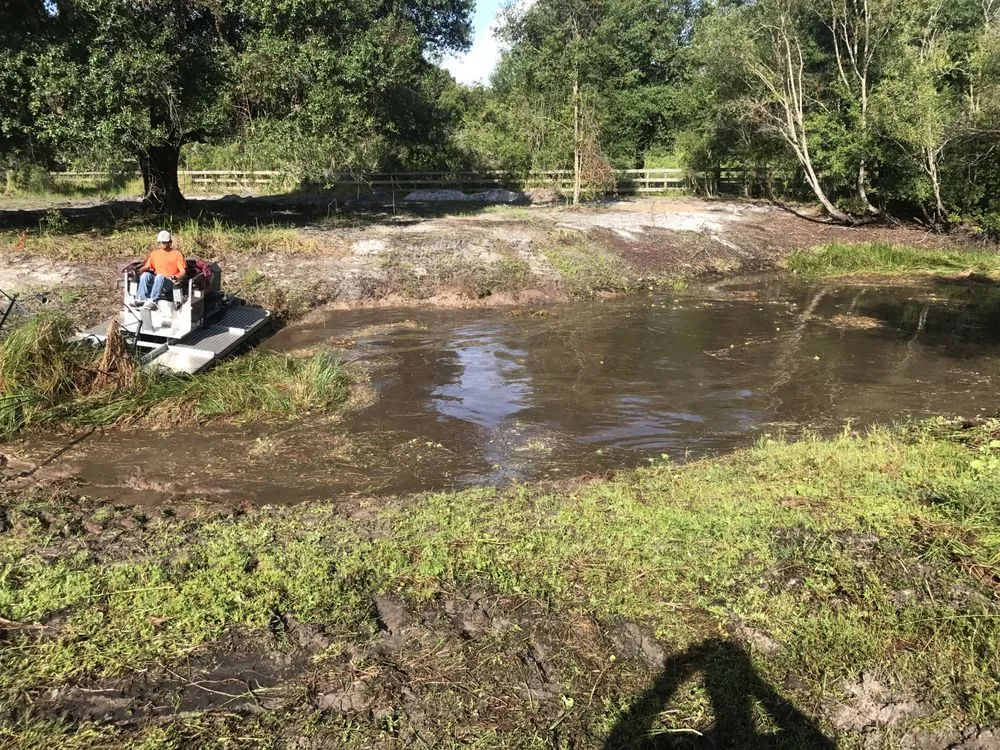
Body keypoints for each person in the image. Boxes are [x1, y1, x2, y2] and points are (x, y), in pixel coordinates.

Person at [133, 230, 186, 309]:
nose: (162, 244)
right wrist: (140, 271)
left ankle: (153, 301)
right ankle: (141, 299)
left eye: (164, 242)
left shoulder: (177, 254)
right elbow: (147, 267)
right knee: (145, 275)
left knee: (159, 276)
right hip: (158, 280)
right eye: (161, 242)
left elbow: (183, 271)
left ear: (170, 242)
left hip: (170, 282)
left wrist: (177, 277)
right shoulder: (154, 254)